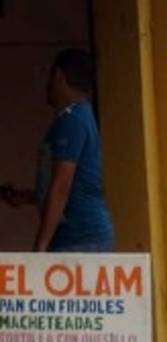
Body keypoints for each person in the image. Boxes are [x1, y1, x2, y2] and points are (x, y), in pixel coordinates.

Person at [0, 50, 114, 252]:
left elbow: (62, 184)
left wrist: (41, 246)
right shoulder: (78, 116)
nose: (48, 86)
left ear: (59, 76)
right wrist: (28, 197)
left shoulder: (72, 120)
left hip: (80, 239)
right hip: (79, 238)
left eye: (50, 78)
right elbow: (72, 184)